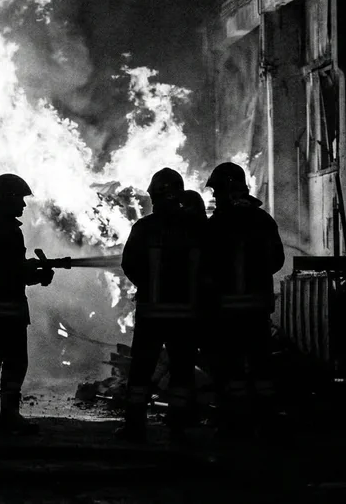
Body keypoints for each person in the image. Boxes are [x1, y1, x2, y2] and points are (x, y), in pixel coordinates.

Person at [116, 168, 205, 443]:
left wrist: (148, 287)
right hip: (185, 314)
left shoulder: (144, 228)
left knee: (142, 370)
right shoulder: (196, 228)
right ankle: (178, 426)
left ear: (154, 196)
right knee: (182, 371)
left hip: (151, 313)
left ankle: (135, 426)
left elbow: (129, 264)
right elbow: (209, 268)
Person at [0, 174, 56, 435]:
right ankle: (9, 414)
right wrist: (37, 274)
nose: (23, 205)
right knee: (15, 361)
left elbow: (5, 267)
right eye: (20, 199)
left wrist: (31, 270)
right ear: (7, 198)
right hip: (6, 306)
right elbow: (11, 271)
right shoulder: (5, 229)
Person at [204, 161, 285, 437]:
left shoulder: (217, 224)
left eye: (217, 190)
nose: (215, 196)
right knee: (261, 365)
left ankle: (234, 422)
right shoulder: (263, 220)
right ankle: (266, 421)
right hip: (257, 309)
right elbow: (276, 260)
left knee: (230, 368)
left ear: (228, 189)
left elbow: (205, 267)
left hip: (226, 310)